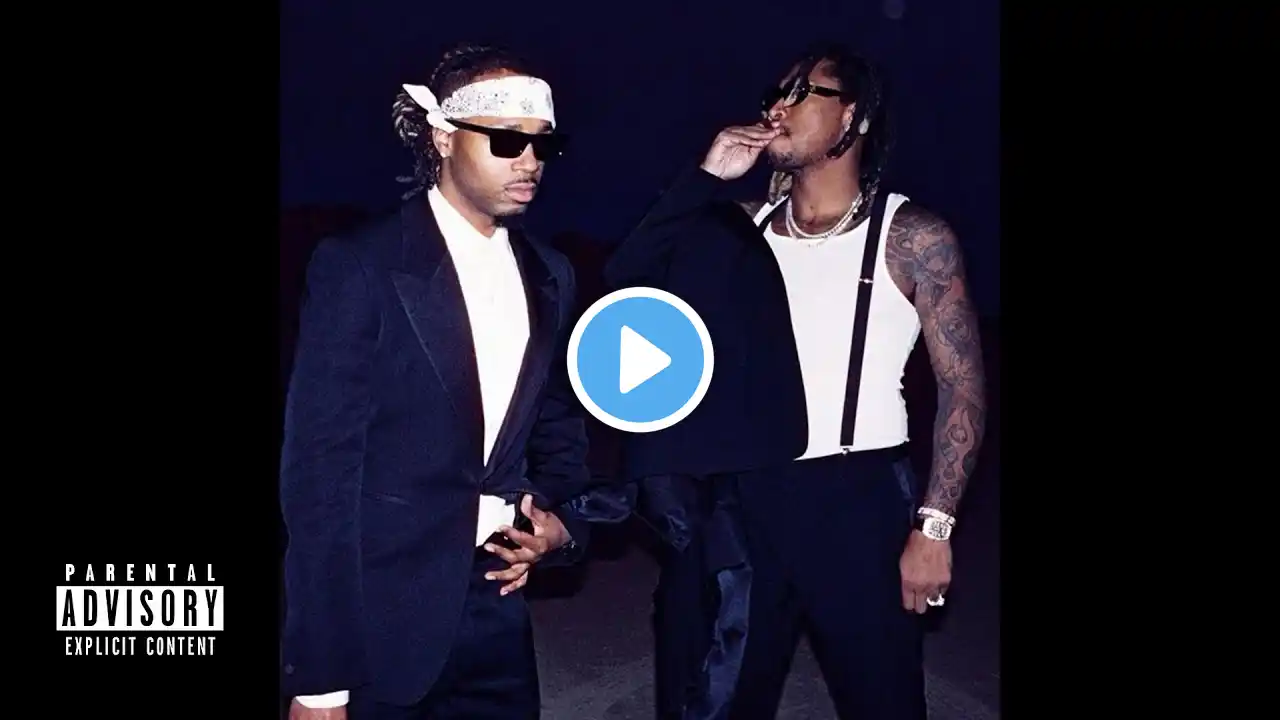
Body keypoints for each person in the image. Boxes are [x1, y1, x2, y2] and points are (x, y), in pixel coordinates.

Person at [592, 41, 988, 719]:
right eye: (776, 92)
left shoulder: (910, 236)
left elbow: (963, 386)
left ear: (853, 117)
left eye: (803, 93)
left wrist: (935, 526)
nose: (778, 106)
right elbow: (628, 279)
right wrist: (705, 177)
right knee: (719, 698)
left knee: (883, 699)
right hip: (744, 499)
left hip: (857, 497)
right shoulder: (742, 228)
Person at [280, 42, 594, 720]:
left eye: (543, 143)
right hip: (378, 621)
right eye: (507, 140)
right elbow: (318, 479)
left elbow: (557, 427)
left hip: (497, 611)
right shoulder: (359, 265)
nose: (530, 161)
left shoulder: (550, 273)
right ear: (444, 137)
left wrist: (556, 525)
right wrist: (321, 677)